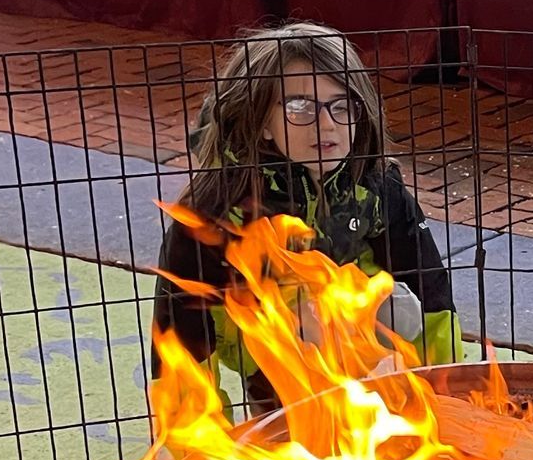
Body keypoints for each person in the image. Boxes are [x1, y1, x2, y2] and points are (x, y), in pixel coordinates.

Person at [154, 23, 462, 416]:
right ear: (262, 122)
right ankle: (282, 414)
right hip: (269, 348)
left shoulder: (377, 185)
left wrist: (449, 398)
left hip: (366, 352)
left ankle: (376, 409)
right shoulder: (214, 210)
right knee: (304, 315)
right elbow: (181, 344)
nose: (326, 123)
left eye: (341, 105)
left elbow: (431, 292)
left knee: (398, 305)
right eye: (300, 107)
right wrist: (208, 456)